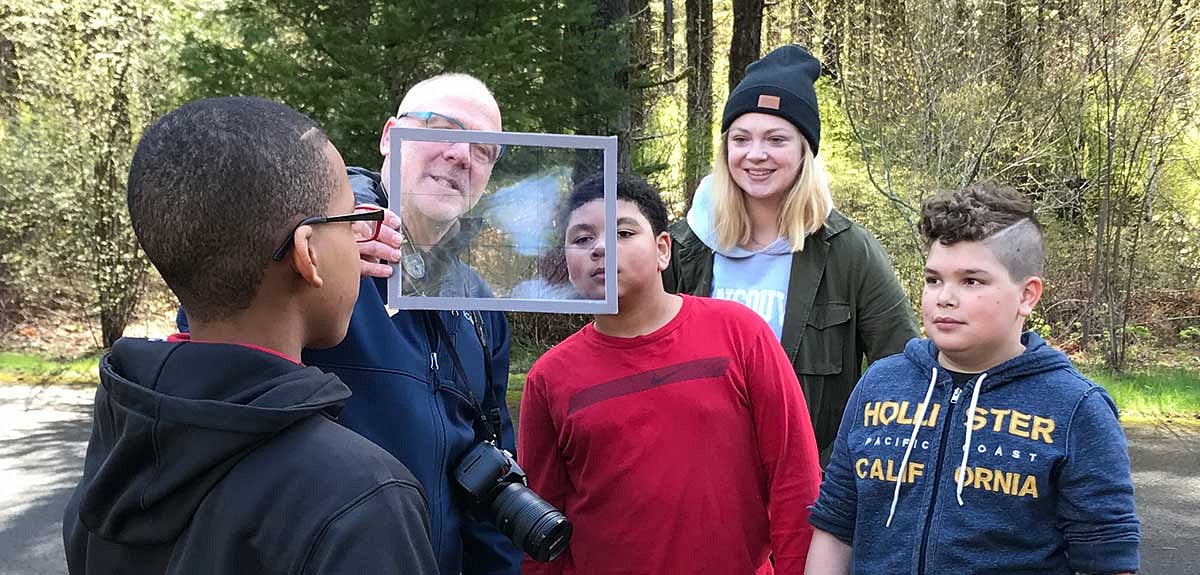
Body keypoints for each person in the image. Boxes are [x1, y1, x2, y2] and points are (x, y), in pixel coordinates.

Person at [63, 97, 438, 574]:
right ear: (309, 254)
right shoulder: (363, 500)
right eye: (350, 221)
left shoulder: (119, 435)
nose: (362, 238)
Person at [805, 182, 1141, 574]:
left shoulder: (1076, 408)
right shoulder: (880, 384)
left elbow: (1107, 559)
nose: (944, 297)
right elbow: (835, 527)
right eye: (933, 279)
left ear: (1027, 296)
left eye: (971, 281)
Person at [519, 173, 822, 574]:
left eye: (624, 232)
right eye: (581, 239)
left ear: (663, 250)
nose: (601, 248)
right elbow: (541, 528)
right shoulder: (549, 379)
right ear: (566, 264)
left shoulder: (739, 334)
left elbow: (794, 475)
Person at [300, 74, 524, 575]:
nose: (462, 155)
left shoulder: (479, 304)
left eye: (485, 150)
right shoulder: (309, 251)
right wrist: (329, 219)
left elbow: (494, 474)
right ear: (389, 136)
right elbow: (218, 338)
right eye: (442, 128)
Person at [663, 45, 918, 464]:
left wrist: (837, 471)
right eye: (741, 139)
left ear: (805, 151)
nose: (756, 154)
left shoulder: (850, 252)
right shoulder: (683, 248)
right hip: (696, 475)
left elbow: (903, 372)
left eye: (776, 139)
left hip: (808, 486)